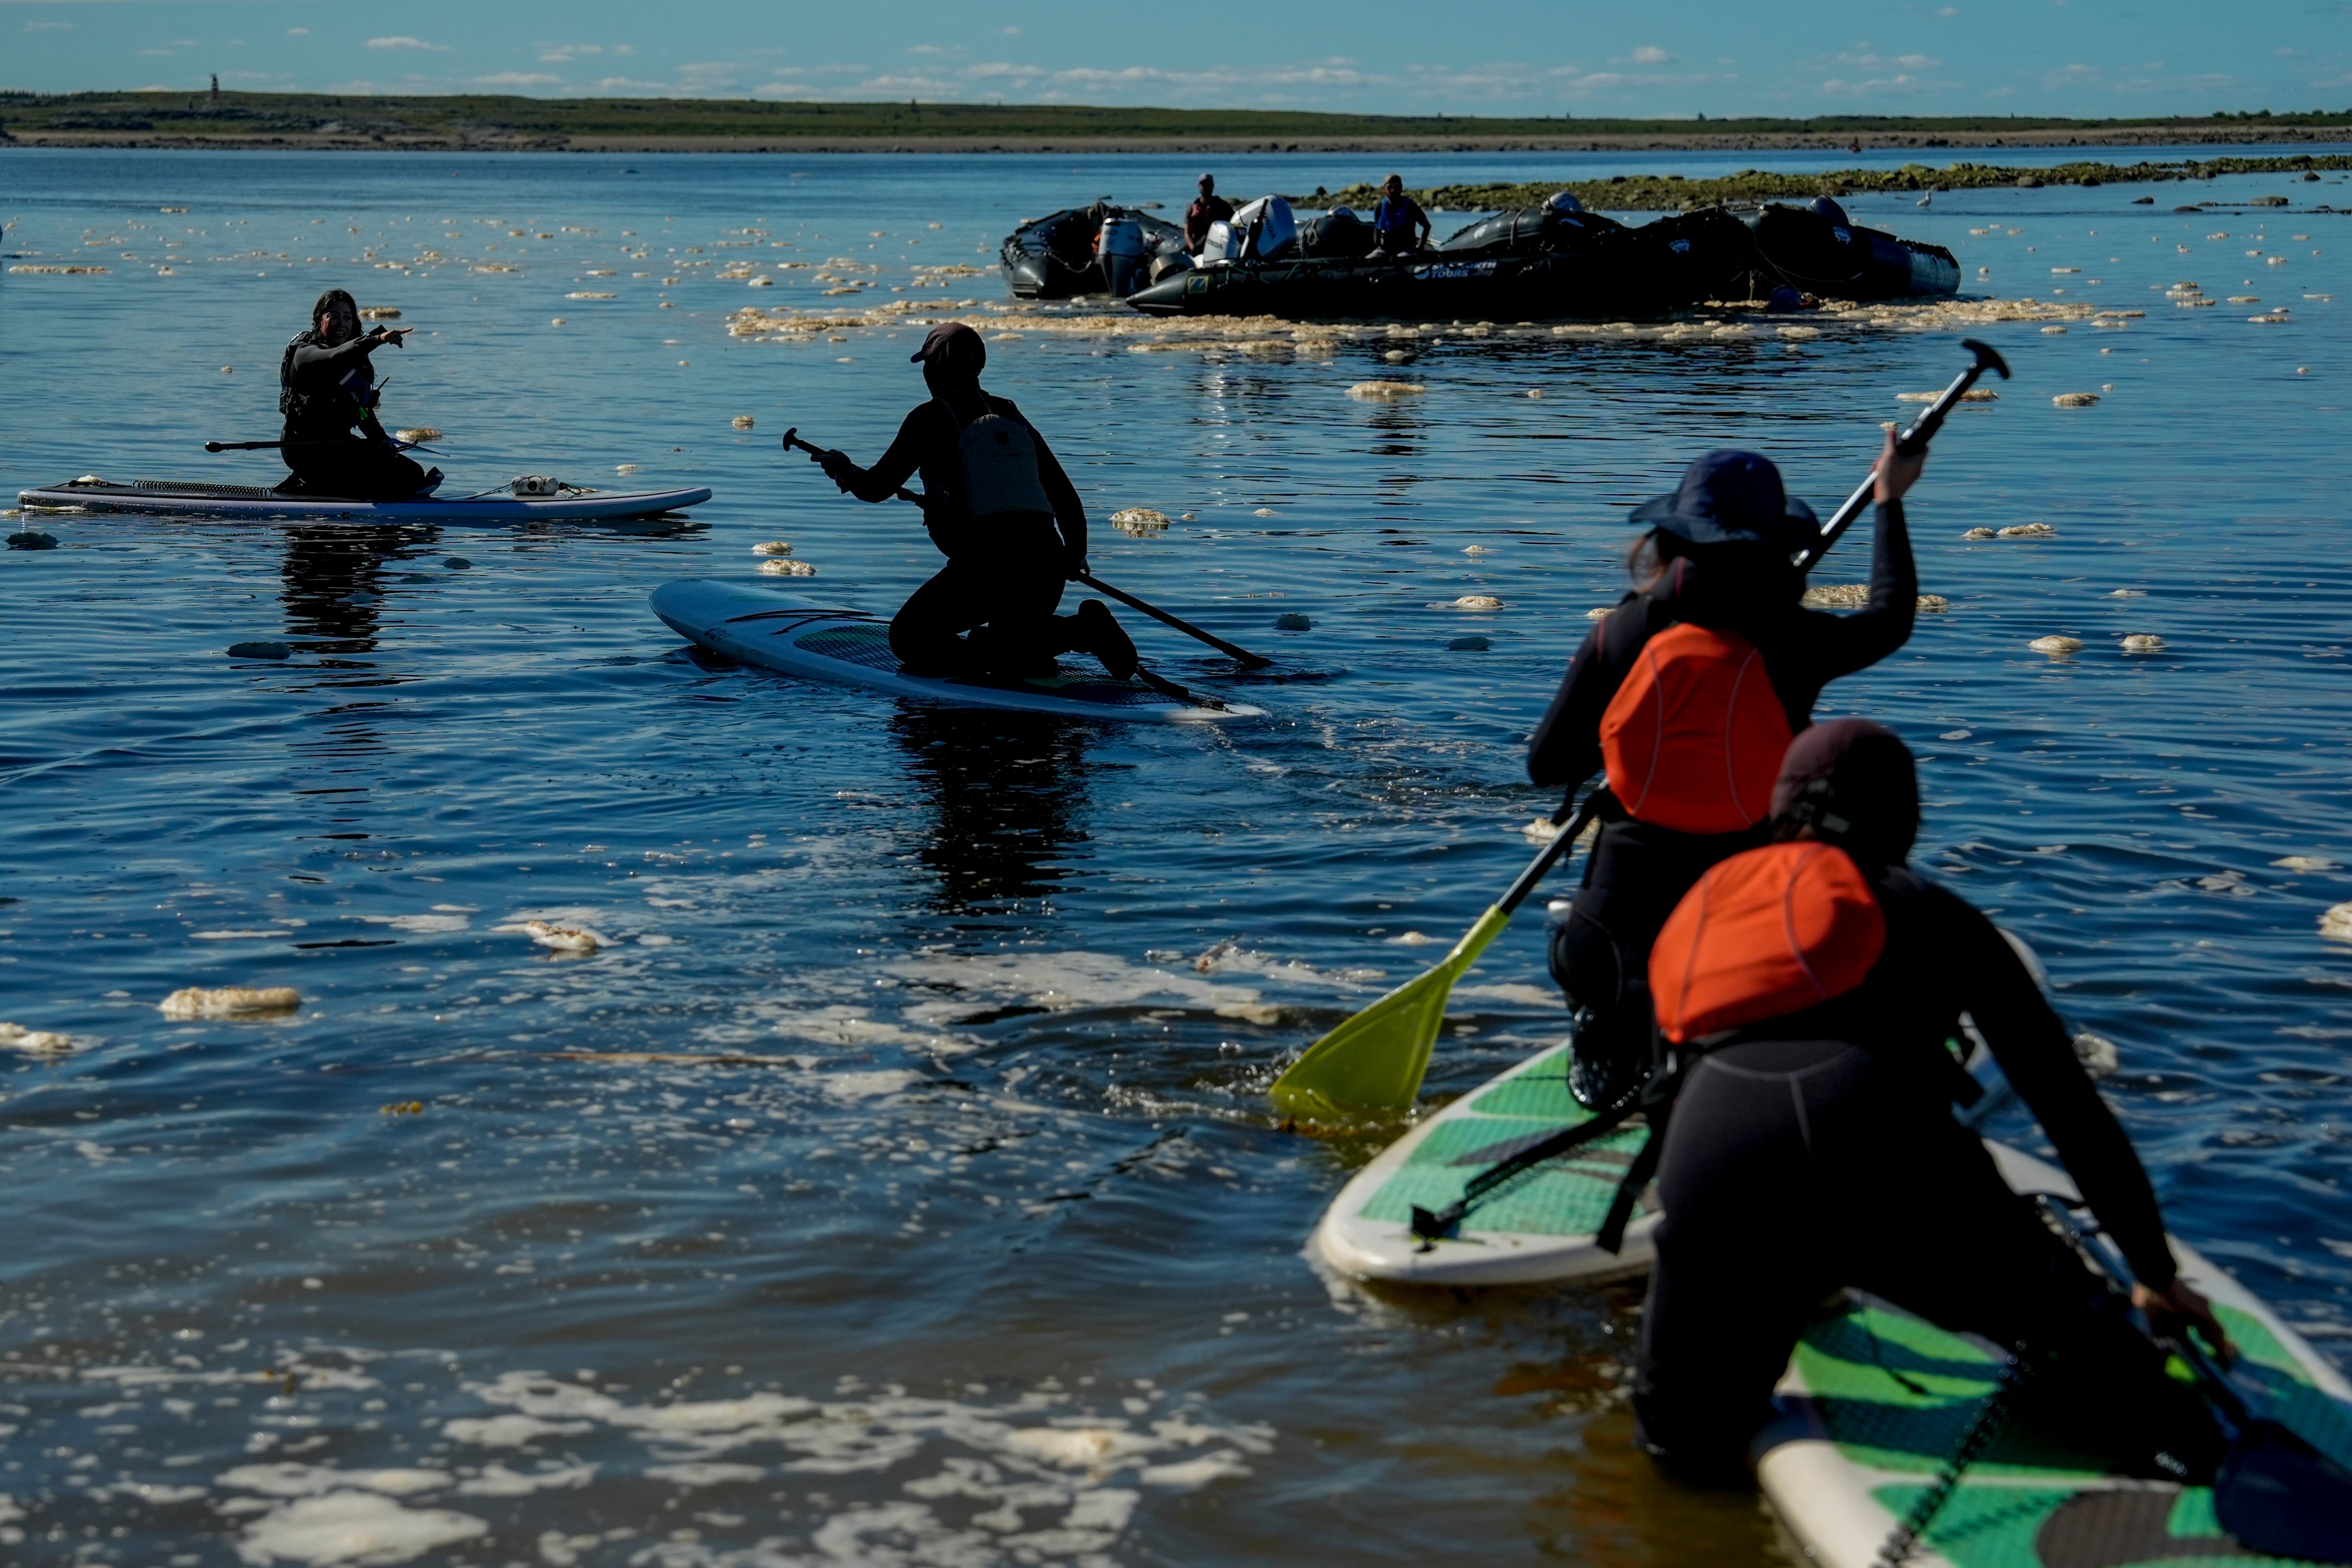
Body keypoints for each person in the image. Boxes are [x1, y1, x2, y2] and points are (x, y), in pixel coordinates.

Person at [1629, 720, 2229, 1483]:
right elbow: (2065, 1101)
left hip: (1716, 1155)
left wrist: (1743, 1261)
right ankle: (2196, 1456)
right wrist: (2152, 1265)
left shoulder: (1704, 904)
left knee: (1678, 1450)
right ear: (1901, 815)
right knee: (2151, 1410)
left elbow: (1663, 1104)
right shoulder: (1922, 905)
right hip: (1885, 1150)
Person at [1527, 437, 1920, 1109]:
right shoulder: (1796, 640)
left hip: (1610, 949)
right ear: (1776, 545)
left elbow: (1547, 766)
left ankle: (1600, 1028)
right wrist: (1888, 500)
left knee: (1591, 954)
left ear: (1671, 538)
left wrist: (1640, 740)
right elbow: (1889, 618)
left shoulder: (1619, 633)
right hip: (1743, 938)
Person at [811, 321, 1138, 681]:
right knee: (1013, 643)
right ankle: (1070, 633)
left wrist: (844, 469)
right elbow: (1065, 496)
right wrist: (1075, 554)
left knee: (909, 637)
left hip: (985, 567)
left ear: (935, 368)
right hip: (1046, 562)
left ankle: (1015, 647)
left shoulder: (928, 418)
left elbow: (875, 488)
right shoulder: (1011, 415)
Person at [276, 288, 438, 500]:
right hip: (305, 449)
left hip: (338, 445)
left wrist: (381, 440)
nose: (341, 324)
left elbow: (361, 411)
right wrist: (377, 339)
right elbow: (335, 356)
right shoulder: (306, 354)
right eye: (332, 316)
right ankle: (313, 487)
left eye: (347, 317)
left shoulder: (354, 365)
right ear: (319, 320)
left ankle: (323, 486)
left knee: (412, 473)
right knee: (398, 479)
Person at [1371, 174, 1430, 254]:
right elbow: (1377, 229)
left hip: (1406, 249)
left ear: (1401, 189)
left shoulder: (1410, 206)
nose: (1393, 190)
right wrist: (1377, 246)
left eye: (1397, 188)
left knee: (1403, 258)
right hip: (1385, 250)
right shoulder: (1380, 207)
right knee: (1372, 258)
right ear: (1384, 189)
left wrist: (1420, 246)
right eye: (1390, 187)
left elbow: (1427, 226)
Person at [1184, 174, 1234, 253]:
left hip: (1217, 243)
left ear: (1213, 186)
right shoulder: (1193, 208)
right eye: (1204, 185)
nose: (1206, 187)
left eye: (1208, 185)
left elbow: (1233, 224)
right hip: (1196, 244)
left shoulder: (1223, 206)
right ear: (1199, 187)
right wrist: (1192, 246)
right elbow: (1188, 233)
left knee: (1205, 238)